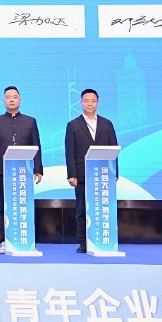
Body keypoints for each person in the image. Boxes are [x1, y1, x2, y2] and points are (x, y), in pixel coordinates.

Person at [0, 86, 42, 254]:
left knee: (24, 205)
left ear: (20, 100)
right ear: (3, 101)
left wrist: (38, 169)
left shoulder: (30, 121)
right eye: (8, 97)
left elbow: (37, 145)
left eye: (15, 97)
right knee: (4, 206)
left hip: (25, 172)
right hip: (3, 171)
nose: (11, 99)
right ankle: (4, 240)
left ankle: (26, 239)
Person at [65, 88, 119, 253]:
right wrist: (71, 174)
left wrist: (115, 172)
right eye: (86, 101)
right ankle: (84, 242)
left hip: (104, 174)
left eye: (93, 101)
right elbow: (70, 151)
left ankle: (103, 239)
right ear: (81, 103)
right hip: (82, 174)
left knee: (102, 208)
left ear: (98, 103)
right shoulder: (73, 125)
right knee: (82, 209)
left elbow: (114, 148)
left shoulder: (107, 124)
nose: (90, 104)